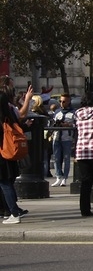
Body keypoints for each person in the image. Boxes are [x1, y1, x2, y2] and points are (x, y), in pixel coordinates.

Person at [0, 76, 33, 224]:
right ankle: (12, 210)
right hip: (8, 150)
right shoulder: (9, 115)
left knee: (4, 182)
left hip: (2, 150)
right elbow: (20, 123)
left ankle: (13, 212)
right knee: (7, 181)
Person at [52, 93, 76, 187]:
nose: (62, 103)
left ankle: (65, 178)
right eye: (60, 101)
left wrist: (69, 125)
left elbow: (76, 125)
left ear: (69, 101)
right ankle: (58, 176)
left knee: (66, 158)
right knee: (56, 158)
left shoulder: (73, 112)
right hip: (56, 137)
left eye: (64, 101)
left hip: (67, 138)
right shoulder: (57, 112)